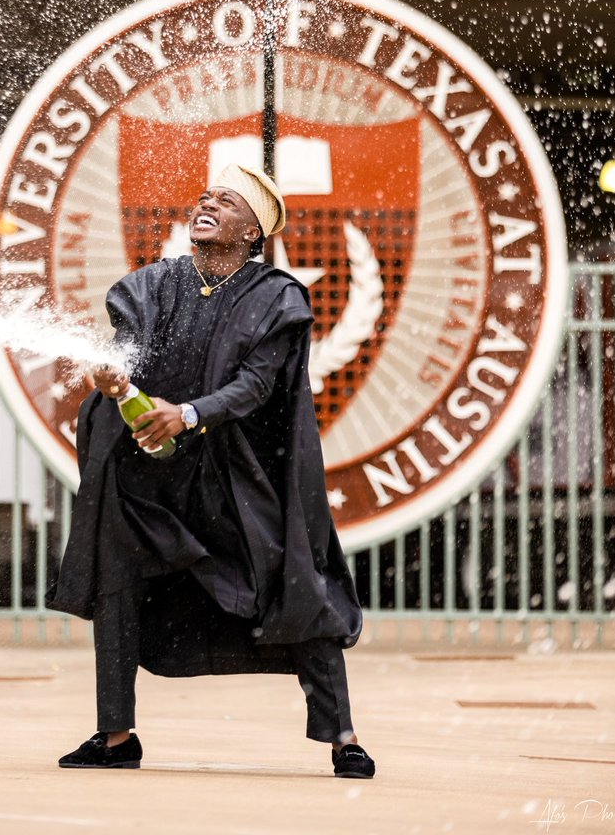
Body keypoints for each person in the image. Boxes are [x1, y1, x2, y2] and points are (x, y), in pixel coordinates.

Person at [47, 162, 375, 779]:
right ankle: (115, 737)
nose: (208, 203)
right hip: (147, 478)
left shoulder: (277, 297)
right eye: (205, 196)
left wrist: (191, 414)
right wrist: (112, 378)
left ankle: (343, 737)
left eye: (226, 201)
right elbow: (125, 354)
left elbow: (255, 386)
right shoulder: (149, 285)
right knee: (117, 584)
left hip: (234, 478)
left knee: (294, 580)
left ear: (253, 231)